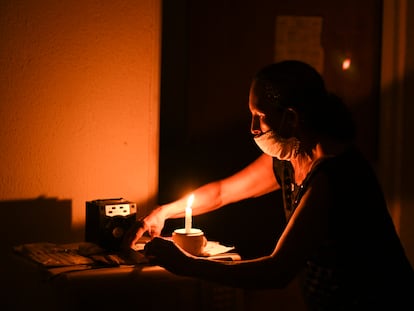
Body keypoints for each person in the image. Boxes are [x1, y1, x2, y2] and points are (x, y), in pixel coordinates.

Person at [124, 60, 414, 310]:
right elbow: (223, 192)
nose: (252, 128)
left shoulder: (333, 174)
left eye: (260, 116)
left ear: (290, 118)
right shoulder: (290, 158)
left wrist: (186, 265)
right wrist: (162, 213)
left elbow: (277, 271)